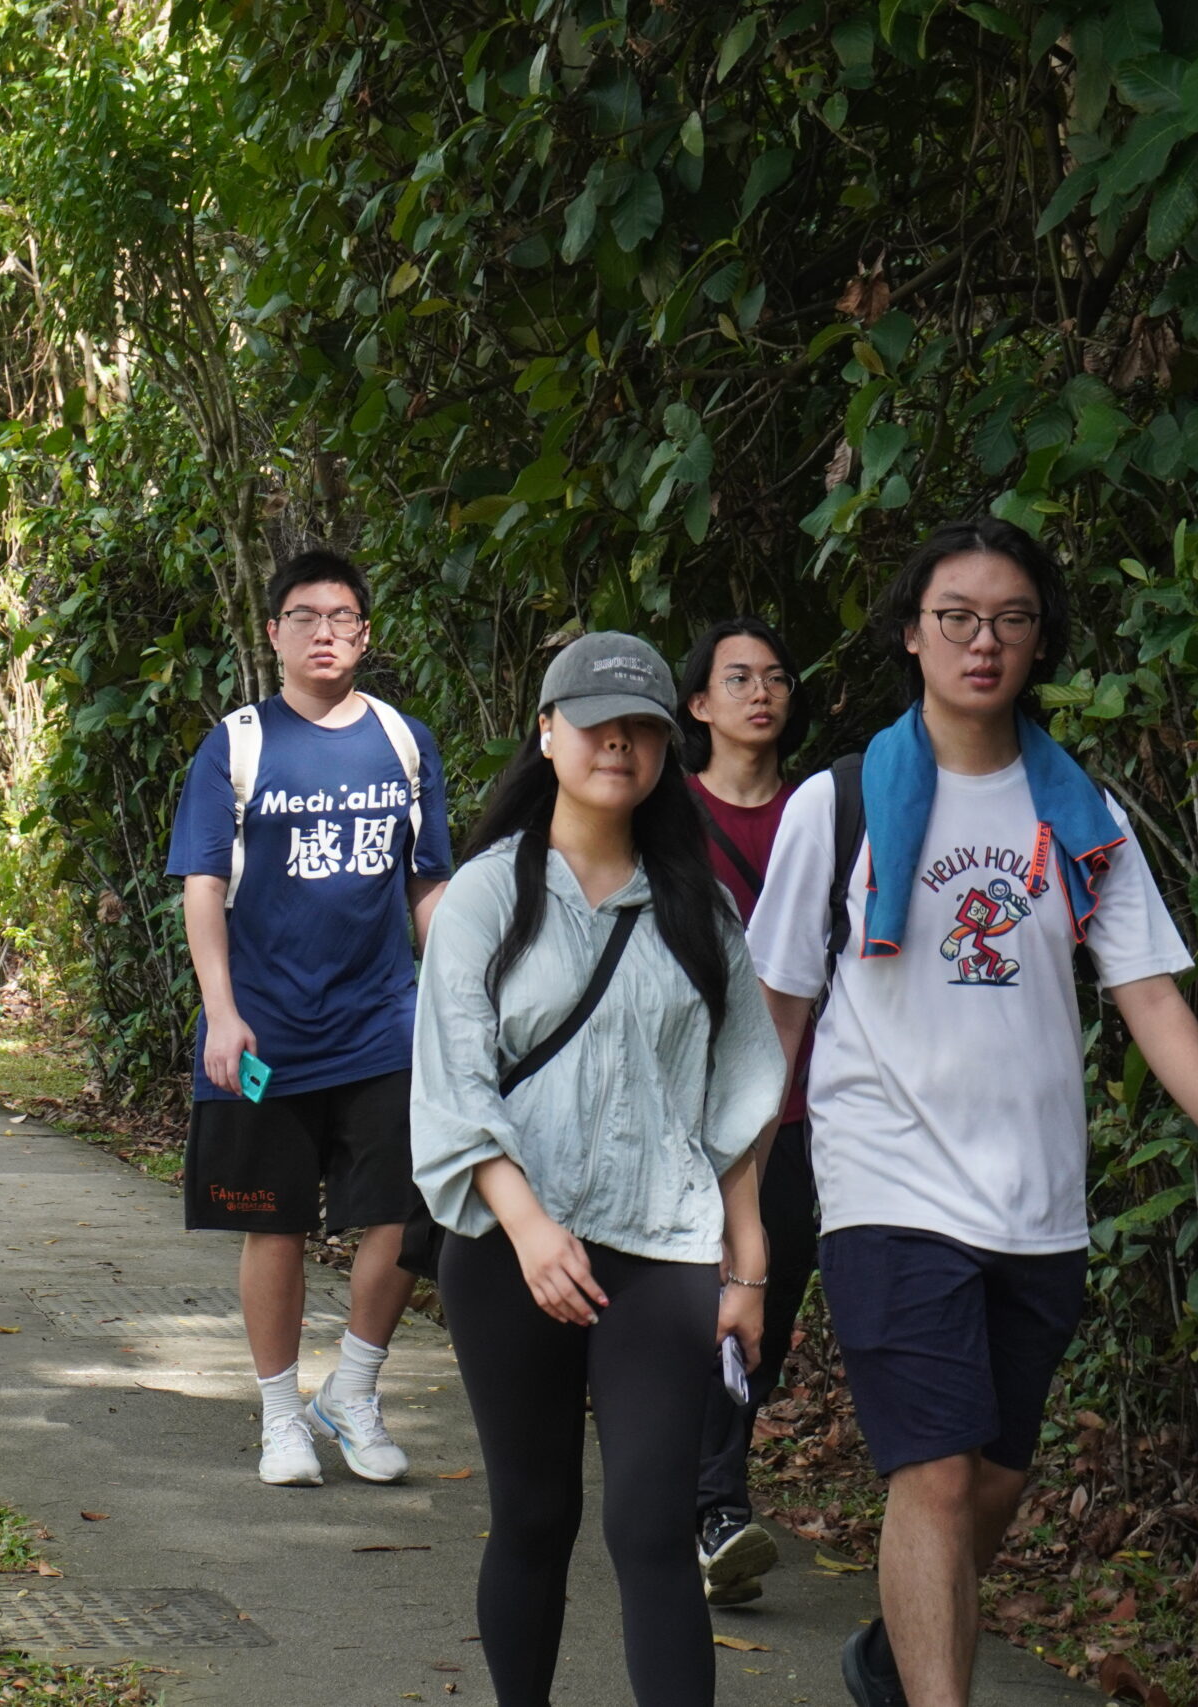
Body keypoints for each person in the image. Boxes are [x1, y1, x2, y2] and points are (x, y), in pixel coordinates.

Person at [743, 516, 1198, 1707]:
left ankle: (894, 1642)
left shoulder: (1080, 813)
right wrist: (740, 1201)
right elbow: (774, 1015)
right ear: (911, 635)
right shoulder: (840, 804)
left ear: (1037, 642)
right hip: (884, 1182)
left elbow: (1144, 990)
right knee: (929, 1470)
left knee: (991, 1483)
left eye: (1010, 621)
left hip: (1036, 1196)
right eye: (956, 619)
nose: (983, 642)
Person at [410, 630, 785, 1707]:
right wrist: (529, 1229)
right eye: (594, 722)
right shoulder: (486, 895)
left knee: (651, 1528)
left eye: (641, 729)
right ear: (547, 732)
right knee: (534, 1516)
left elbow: (734, 1093)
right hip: (506, 1248)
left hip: (660, 1242)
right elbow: (453, 1085)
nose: (616, 744)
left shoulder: (695, 907)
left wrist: (746, 1256)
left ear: (668, 748)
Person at [165, 547, 452, 1491]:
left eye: (342, 617)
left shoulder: (405, 743)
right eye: (305, 616)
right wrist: (221, 1012)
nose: (325, 632)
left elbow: (426, 886)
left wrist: (461, 996)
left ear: (366, 634)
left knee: (408, 1216)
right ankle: (282, 1415)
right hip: (268, 1033)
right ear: (275, 632)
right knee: (275, 1225)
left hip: (384, 1024)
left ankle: (355, 1392)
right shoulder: (238, 743)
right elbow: (204, 885)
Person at [672, 615, 819, 1610]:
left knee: (768, 1303)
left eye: (773, 677)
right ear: (697, 703)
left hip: (806, 1105)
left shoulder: (824, 813)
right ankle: (711, 1502)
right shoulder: (666, 812)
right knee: (700, 1296)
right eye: (737, 678)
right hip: (689, 1103)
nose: (759, 693)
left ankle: (705, 1491)